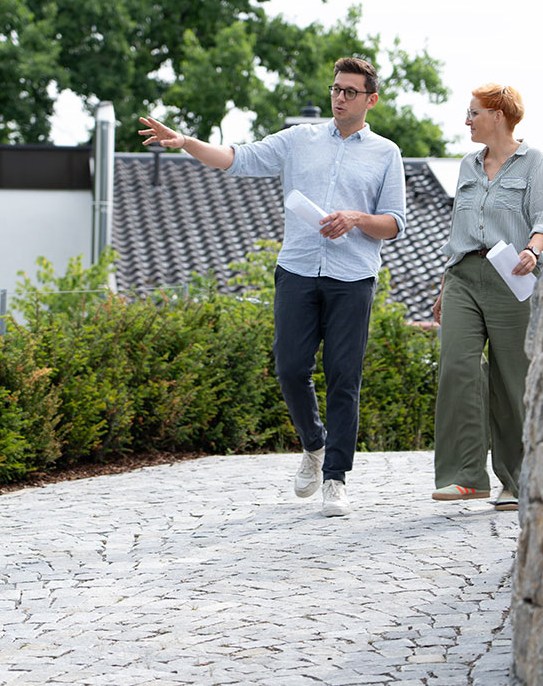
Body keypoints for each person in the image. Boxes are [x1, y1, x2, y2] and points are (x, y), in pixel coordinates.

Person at [139, 57, 406, 518]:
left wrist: (357, 218)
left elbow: (394, 224)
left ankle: (336, 478)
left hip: (353, 278)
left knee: (345, 377)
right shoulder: (299, 139)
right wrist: (184, 142)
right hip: (298, 270)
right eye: (336, 89)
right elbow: (236, 159)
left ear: (371, 100)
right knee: (288, 367)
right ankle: (314, 444)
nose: (339, 98)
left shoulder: (386, 153)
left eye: (350, 92)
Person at [431, 83, 543, 511]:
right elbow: (455, 232)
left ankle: (518, 480)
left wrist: (532, 250)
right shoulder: (467, 165)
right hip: (463, 273)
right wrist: (445, 284)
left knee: (511, 377)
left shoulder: (533, 163)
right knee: (457, 365)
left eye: (474, 113)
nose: (467, 121)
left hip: (512, 274)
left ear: (497, 115)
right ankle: (464, 477)